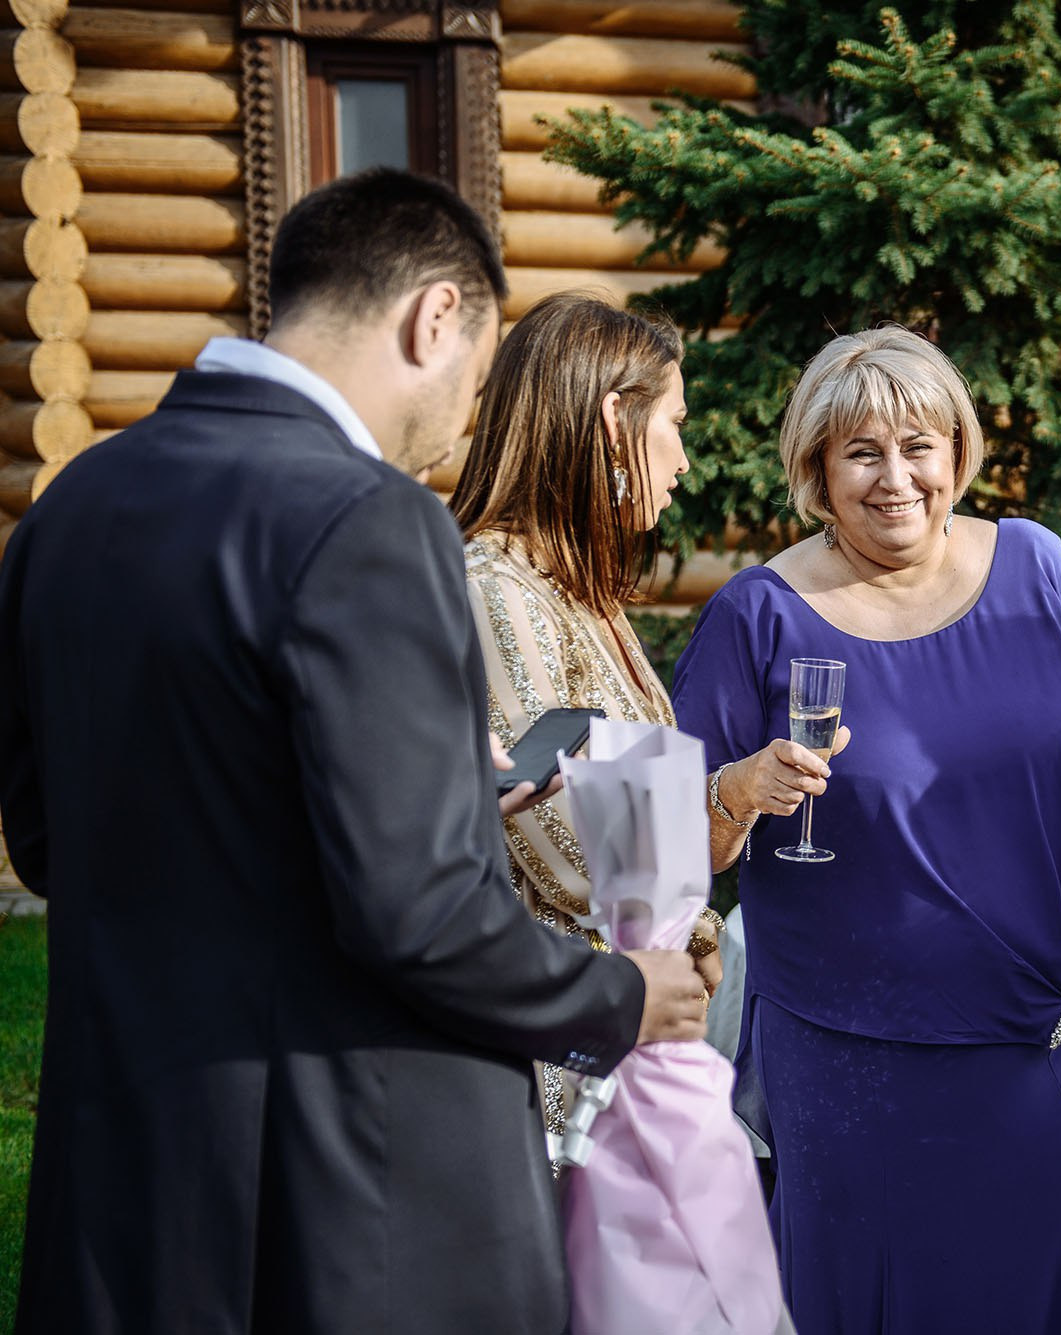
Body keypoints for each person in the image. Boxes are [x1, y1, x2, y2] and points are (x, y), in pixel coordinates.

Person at [0, 170, 707, 1333]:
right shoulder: (367, 519)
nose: (462, 422)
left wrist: (423, 786)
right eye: (477, 379)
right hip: (352, 1191)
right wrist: (621, 994)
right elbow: (419, 914)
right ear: (434, 317)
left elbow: (49, 838)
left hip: (130, 1169)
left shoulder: (73, 506)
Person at [670, 325, 1061, 1334]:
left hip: (1024, 1032)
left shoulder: (1034, 566)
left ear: (955, 453)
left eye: (918, 446)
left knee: (1032, 1297)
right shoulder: (754, 615)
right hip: (848, 1052)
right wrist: (739, 792)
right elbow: (678, 847)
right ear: (816, 470)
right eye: (860, 453)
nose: (896, 479)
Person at [451, 291, 839, 1144]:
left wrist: (729, 812)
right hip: (556, 1069)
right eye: (676, 424)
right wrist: (720, 825)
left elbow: (631, 817)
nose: (686, 461)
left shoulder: (585, 598)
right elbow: (567, 844)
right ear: (611, 422)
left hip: (631, 1041)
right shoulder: (496, 591)